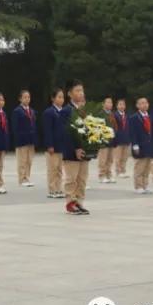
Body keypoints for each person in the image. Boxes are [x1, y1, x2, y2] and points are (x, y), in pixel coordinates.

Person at [61, 81, 90, 215]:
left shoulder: (84, 110)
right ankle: (70, 203)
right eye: (77, 90)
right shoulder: (66, 111)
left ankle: (79, 202)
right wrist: (75, 148)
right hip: (72, 150)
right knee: (71, 178)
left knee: (82, 178)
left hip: (85, 150)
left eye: (82, 90)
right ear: (70, 94)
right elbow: (65, 133)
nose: (81, 93)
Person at [41, 88, 66, 199]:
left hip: (62, 145)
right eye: (59, 97)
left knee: (59, 169)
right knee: (52, 168)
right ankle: (52, 189)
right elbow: (47, 130)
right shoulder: (49, 112)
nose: (61, 99)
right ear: (53, 98)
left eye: (62, 97)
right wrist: (49, 145)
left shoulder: (65, 112)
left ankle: (58, 188)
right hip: (52, 145)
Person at [11, 89, 36, 187]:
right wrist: (18, 138)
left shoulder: (32, 111)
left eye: (28, 97)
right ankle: (22, 179)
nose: (27, 99)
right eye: (25, 97)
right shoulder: (17, 111)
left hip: (31, 139)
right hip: (21, 139)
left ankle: (27, 177)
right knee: (22, 160)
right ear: (20, 99)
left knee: (29, 160)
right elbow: (15, 127)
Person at [131, 97, 153, 194]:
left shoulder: (150, 116)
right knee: (140, 167)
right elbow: (133, 133)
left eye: (146, 103)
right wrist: (135, 145)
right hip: (140, 145)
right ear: (137, 105)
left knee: (147, 167)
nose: (144, 105)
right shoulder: (134, 117)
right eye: (141, 103)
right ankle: (138, 186)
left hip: (149, 145)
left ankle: (145, 185)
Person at [98, 96, 117, 184]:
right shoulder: (100, 113)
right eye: (108, 102)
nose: (110, 104)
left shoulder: (112, 114)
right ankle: (102, 175)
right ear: (103, 104)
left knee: (110, 159)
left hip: (111, 139)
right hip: (103, 140)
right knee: (103, 159)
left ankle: (109, 175)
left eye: (111, 102)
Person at [113, 97, 131, 178]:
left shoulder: (127, 116)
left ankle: (123, 171)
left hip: (126, 139)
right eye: (120, 104)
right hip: (118, 139)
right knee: (118, 157)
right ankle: (118, 171)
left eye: (123, 104)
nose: (122, 106)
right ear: (117, 106)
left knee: (124, 157)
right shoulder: (114, 115)